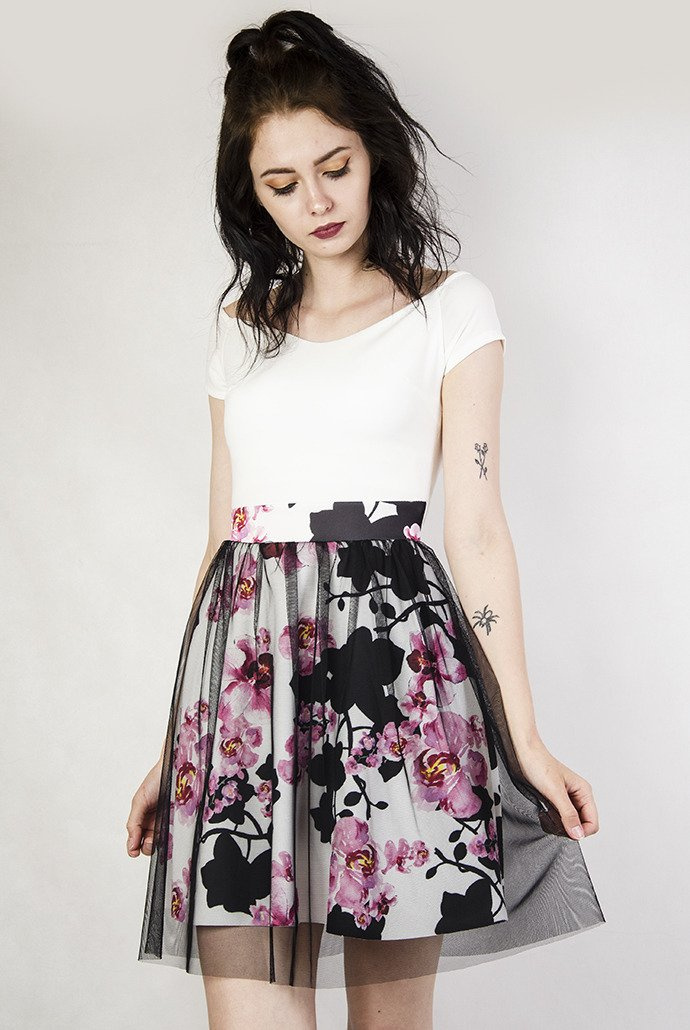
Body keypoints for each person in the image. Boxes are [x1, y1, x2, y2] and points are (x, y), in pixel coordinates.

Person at [126, 10, 605, 1030]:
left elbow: (477, 529)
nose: (316, 201)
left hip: (394, 681)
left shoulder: (451, 310)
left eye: (333, 167)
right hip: (247, 693)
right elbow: (220, 539)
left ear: (372, 152)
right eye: (281, 183)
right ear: (251, 195)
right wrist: (177, 746)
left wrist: (523, 736)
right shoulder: (239, 330)